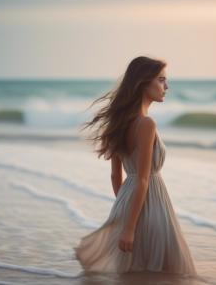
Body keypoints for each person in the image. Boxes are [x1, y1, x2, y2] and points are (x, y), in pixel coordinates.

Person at [74, 56, 197, 277]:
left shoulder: (118, 123)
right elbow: (143, 179)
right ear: (143, 82)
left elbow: (115, 176)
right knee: (164, 274)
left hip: (126, 202)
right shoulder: (147, 124)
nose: (166, 86)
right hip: (151, 202)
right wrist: (130, 227)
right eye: (161, 80)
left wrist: (126, 213)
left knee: (133, 273)